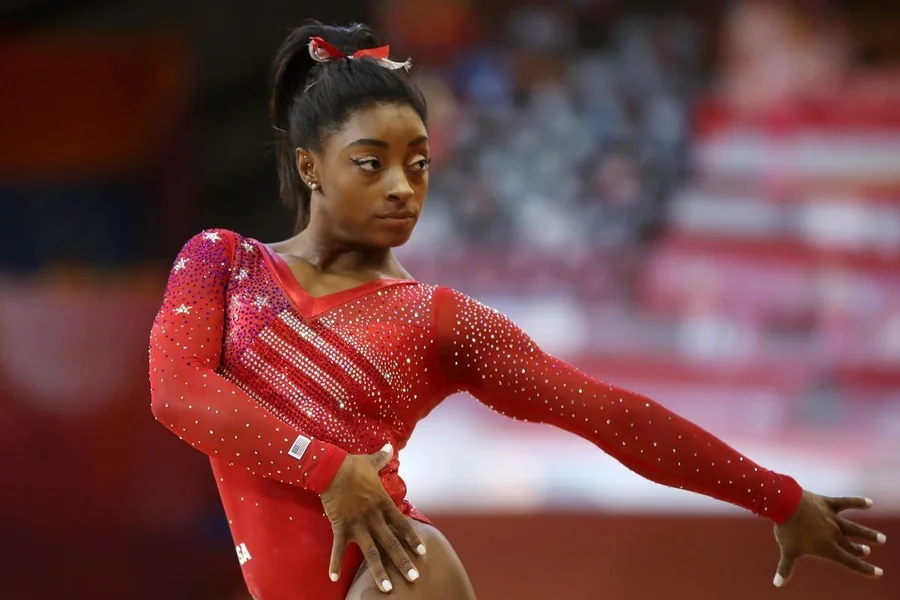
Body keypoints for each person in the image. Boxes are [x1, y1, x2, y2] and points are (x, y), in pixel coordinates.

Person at [148, 21, 886, 600]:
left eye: (420, 162)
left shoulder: (440, 320)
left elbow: (610, 414)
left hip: (396, 574)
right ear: (310, 165)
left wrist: (780, 498)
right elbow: (177, 393)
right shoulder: (223, 262)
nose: (403, 187)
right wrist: (329, 470)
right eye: (372, 162)